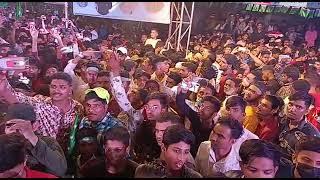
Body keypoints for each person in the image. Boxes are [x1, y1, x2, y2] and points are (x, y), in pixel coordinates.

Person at [2, 103, 67, 177]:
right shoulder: (2, 143)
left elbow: (60, 170)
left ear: (35, 126)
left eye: (20, 126)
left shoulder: (48, 142)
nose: (13, 131)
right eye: (9, 126)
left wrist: (31, 137)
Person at [135, 125, 202, 178]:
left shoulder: (194, 176)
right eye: (176, 151)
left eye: (186, 152)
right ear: (163, 148)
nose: (181, 158)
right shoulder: (145, 172)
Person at [176, 87, 221, 156]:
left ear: (214, 114)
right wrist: (183, 91)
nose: (201, 110)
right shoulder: (196, 117)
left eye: (207, 108)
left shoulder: (216, 129)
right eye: (202, 106)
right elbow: (181, 104)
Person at [278, 92, 320, 159]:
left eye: (299, 107)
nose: (291, 109)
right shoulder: (283, 120)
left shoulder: (311, 134)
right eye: (290, 104)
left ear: (306, 111)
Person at [133, 92, 169, 163]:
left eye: (155, 107)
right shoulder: (143, 127)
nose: (149, 111)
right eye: (147, 107)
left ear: (163, 110)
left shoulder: (170, 130)